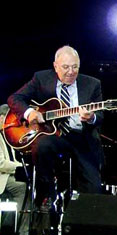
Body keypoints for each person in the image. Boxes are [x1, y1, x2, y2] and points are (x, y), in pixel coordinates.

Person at [8, 46, 104, 206]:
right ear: (55, 66)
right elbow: (14, 99)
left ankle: (85, 221)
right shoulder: (41, 79)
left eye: (75, 67)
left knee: (94, 188)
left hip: (82, 138)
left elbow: (100, 117)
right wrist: (29, 113)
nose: (71, 71)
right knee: (42, 146)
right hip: (54, 135)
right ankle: (47, 194)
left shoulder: (92, 84)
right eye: (66, 67)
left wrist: (91, 117)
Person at [0, 104, 30, 235]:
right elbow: (1, 163)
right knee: (23, 188)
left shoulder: (8, 136)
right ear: (2, 118)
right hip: (3, 176)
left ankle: (35, 230)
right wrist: (21, 167)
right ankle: (23, 233)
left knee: (33, 184)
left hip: (10, 174)